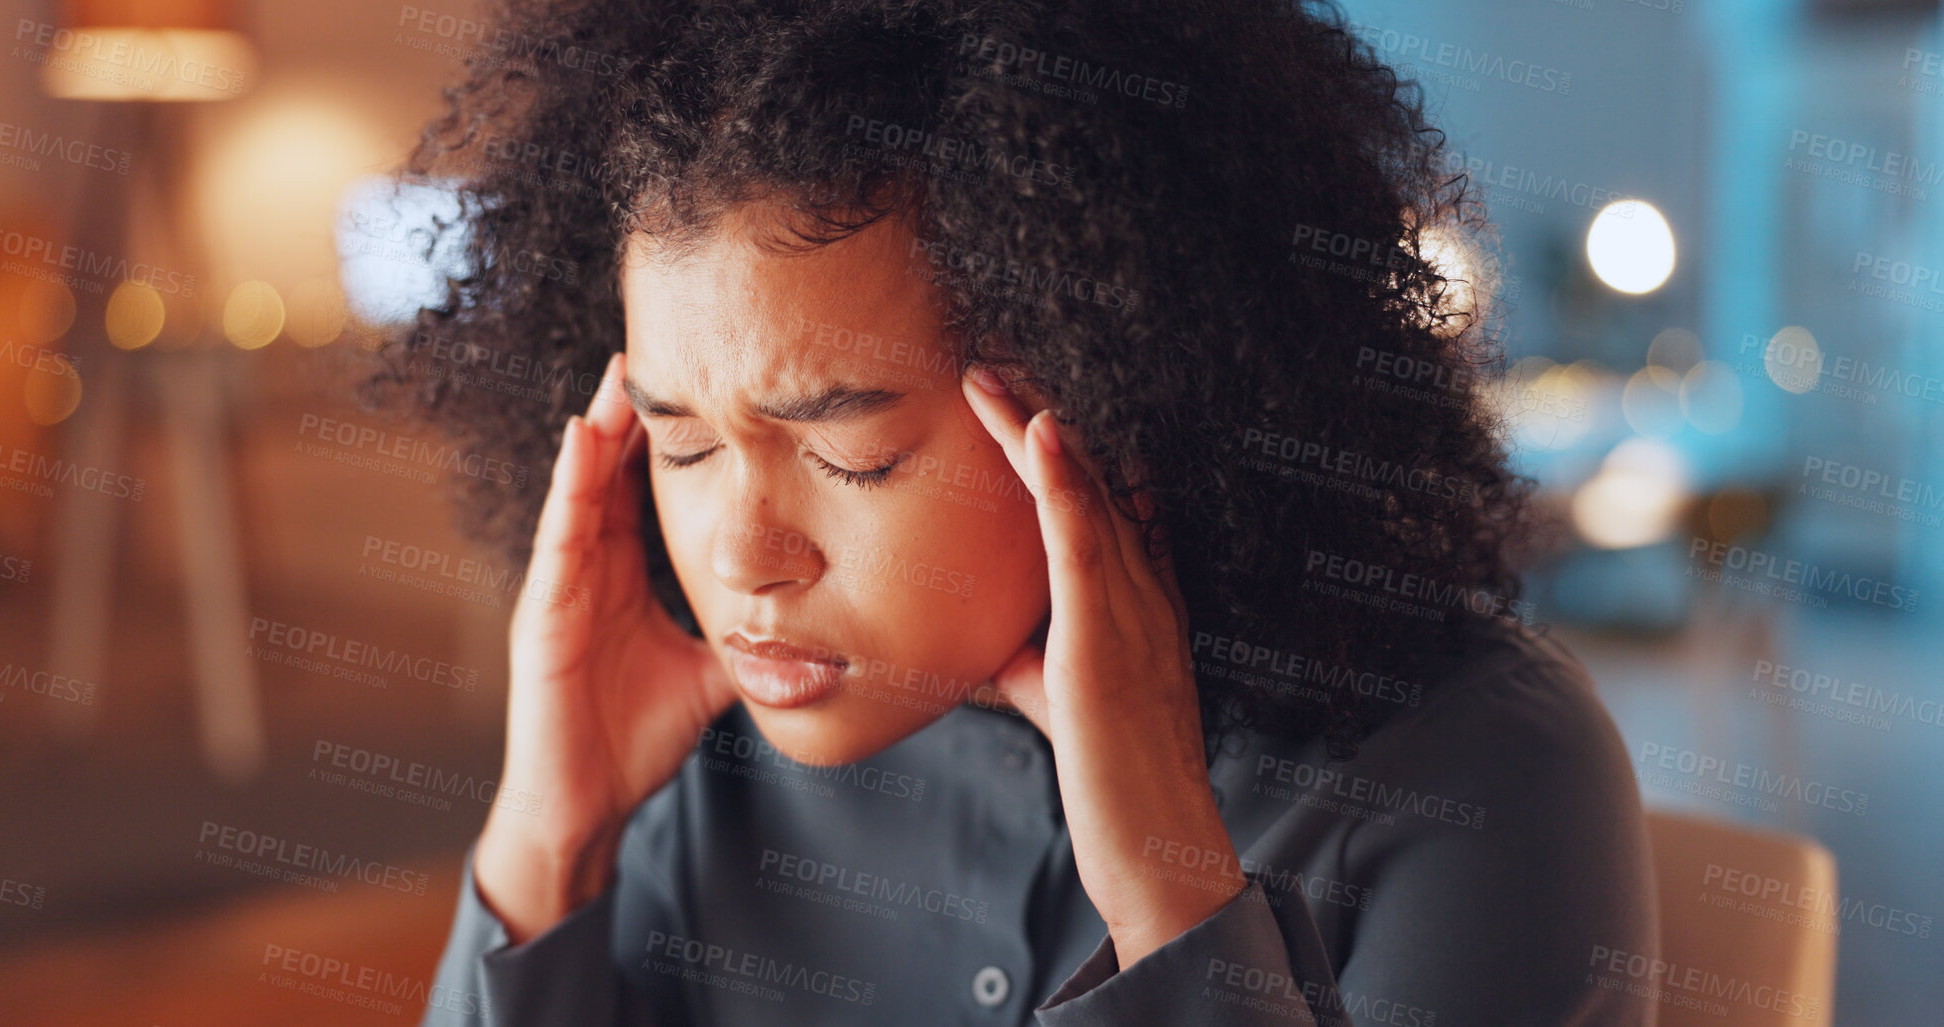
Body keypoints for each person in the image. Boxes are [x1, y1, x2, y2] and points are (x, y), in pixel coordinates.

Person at [368, 0, 1661, 1023]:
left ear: (1115, 392)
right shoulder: (702, 760)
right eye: (684, 444)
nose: (741, 560)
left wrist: (1171, 896)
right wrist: (549, 833)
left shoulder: (1469, 778)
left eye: (855, 455)